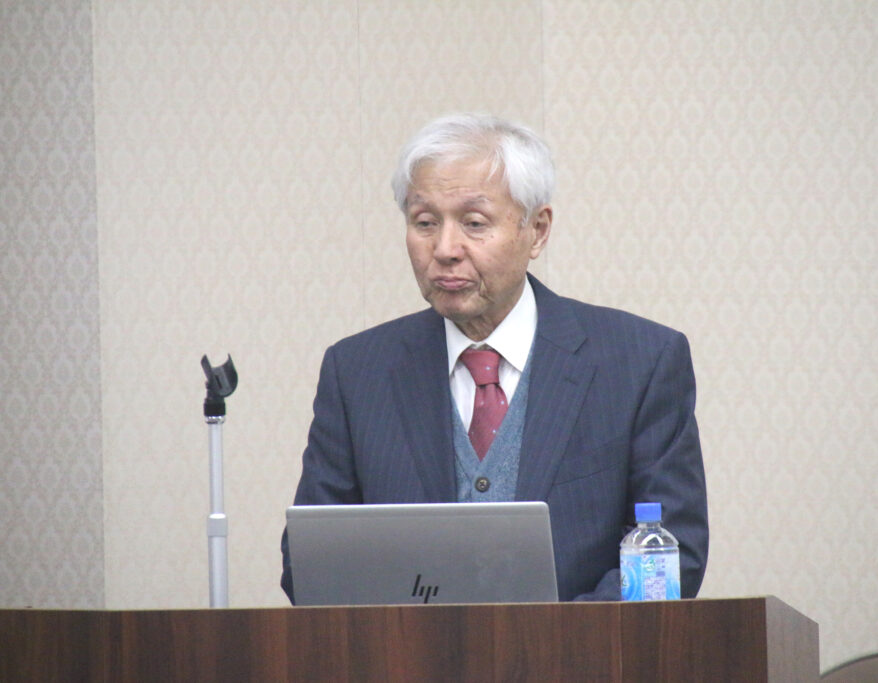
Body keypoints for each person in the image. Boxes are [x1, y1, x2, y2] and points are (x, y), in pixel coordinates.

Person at [281, 113, 708, 601]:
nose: (445, 249)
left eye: (474, 223)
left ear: (537, 231)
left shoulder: (639, 362)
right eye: (425, 223)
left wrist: (556, 640)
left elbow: (671, 556)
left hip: (581, 648)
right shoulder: (358, 372)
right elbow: (309, 564)